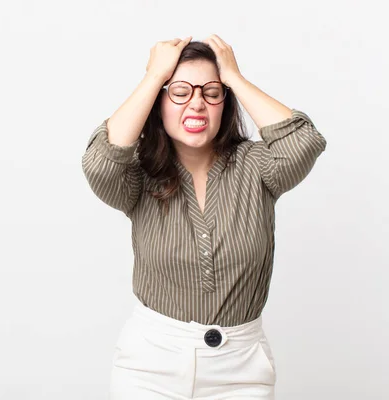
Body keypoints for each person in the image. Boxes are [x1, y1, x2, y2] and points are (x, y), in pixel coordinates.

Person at [81, 34, 327, 399]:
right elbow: (100, 162)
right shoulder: (137, 176)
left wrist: (235, 78)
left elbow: (304, 142)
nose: (196, 104)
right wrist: (153, 76)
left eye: (211, 93)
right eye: (179, 92)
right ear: (157, 102)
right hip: (151, 364)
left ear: (224, 104)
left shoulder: (257, 166)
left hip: (242, 369)